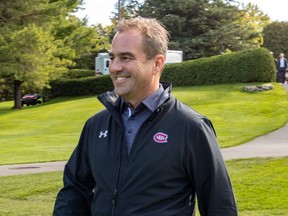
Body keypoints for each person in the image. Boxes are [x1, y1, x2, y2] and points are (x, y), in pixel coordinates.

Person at [53, 17, 238, 215]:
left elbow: (220, 205)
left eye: (126, 58)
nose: (114, 67)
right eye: (113, 57)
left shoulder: (191, 128)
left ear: (157, 63)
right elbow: (74, 192)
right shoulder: (96, 125)